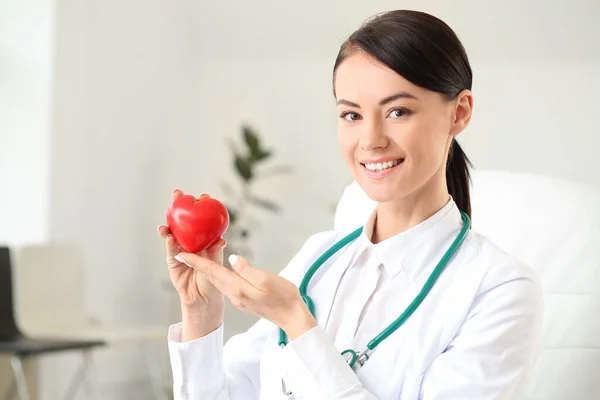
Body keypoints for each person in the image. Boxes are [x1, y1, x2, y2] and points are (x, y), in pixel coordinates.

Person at [157, 9, 543, 400]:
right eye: (351, 115)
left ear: (459, 113)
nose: (371, 139)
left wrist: (298, 324)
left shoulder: (500, 290)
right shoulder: (317, 261)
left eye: (398, 111)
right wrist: (200, 314)